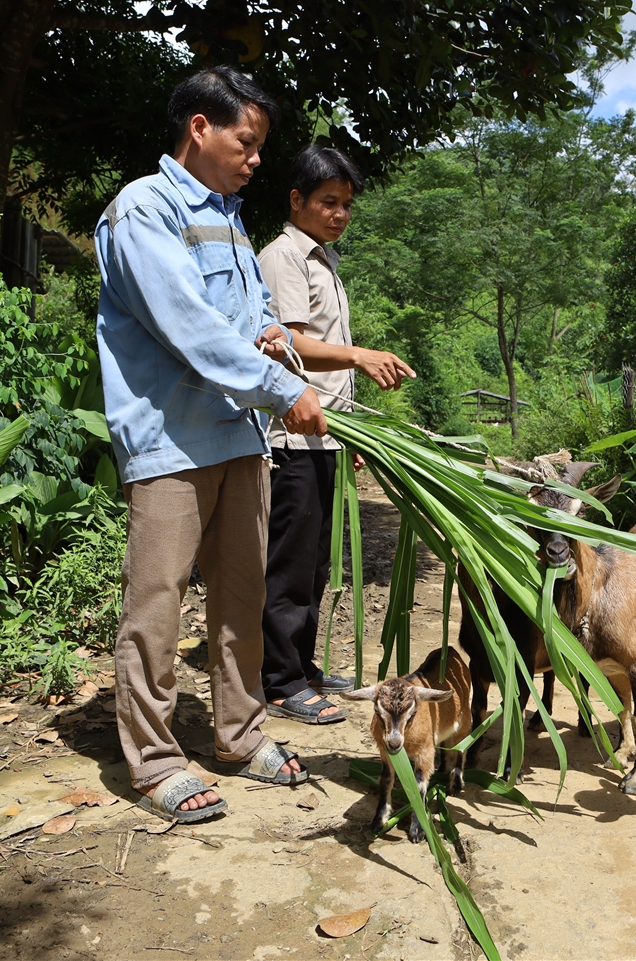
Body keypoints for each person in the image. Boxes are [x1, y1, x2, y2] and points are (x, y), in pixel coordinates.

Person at [94, 67, 323, 823]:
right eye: (245, 142)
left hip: (238, 436)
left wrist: (272, 341)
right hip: (170, 439)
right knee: (157, 602)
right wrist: (288, 391)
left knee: (241, 596)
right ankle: (156, 762)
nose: (256, 160)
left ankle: (240, 733)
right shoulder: (142, 211)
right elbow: (189, 332)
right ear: (200, 127)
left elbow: (251, 320)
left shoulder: (228, 219)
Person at [255, 145, 415, 724]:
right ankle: (279, 682)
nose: (340, 213)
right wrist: (360, 355)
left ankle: (302, 668)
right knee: (291, 565)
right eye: (328, 201)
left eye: (347, 203)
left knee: (316, 564)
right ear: (296, 200)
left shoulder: (323, 260)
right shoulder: (284, 258)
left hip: (325, 437)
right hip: (291, 438)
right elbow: (290, 344)